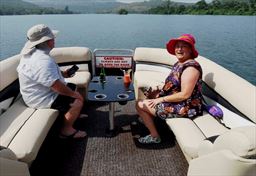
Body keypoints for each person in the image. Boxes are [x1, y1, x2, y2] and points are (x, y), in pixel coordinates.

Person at [17, 24, 87, 139]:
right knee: (78, 100)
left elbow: (45, 76)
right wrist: (76, 95)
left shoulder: (32, 54)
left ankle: (74, 115)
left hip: (35, 93)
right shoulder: (42, 60)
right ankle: (66, 131)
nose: (54, 40)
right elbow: (56, 86)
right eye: (52, 38)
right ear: (47, 41)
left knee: (72, 86)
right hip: (40, 99)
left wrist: (64, 74)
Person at [136, 34, 203, 144]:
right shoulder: (179, 63)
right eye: (177, 46)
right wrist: (159, 89)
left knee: (139, 104)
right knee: (148, 93)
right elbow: (173, 83)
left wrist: (160, 99)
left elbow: (185, 95)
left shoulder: (191, 68)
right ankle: (152, 121)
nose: (179, 49)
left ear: (190, 49)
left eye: (183, 46)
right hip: (178, 102)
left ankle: (155, 137)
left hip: (186, 107)